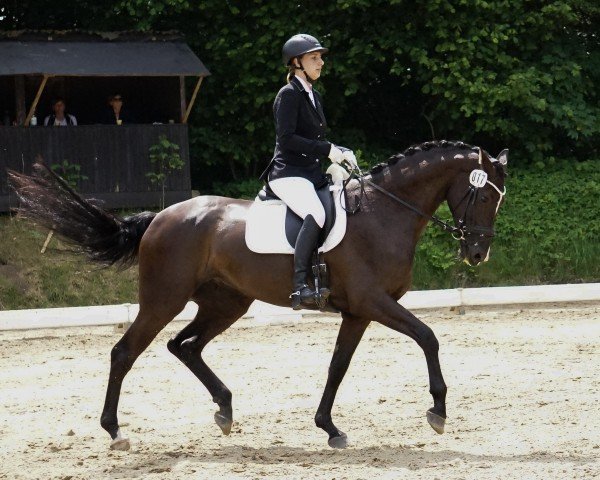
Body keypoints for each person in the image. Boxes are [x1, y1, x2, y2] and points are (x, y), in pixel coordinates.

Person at [260, 34, 357, 310]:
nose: (321, 62)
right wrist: (326, 149)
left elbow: (313, 138)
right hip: (288, 173)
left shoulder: (313, 95)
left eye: (321, 57)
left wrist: (338, 151)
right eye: (314, 58)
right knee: (316, 213)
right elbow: (287, 138)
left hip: (310, 173)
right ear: (296, 62)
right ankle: (300, 285)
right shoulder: (288, 94)